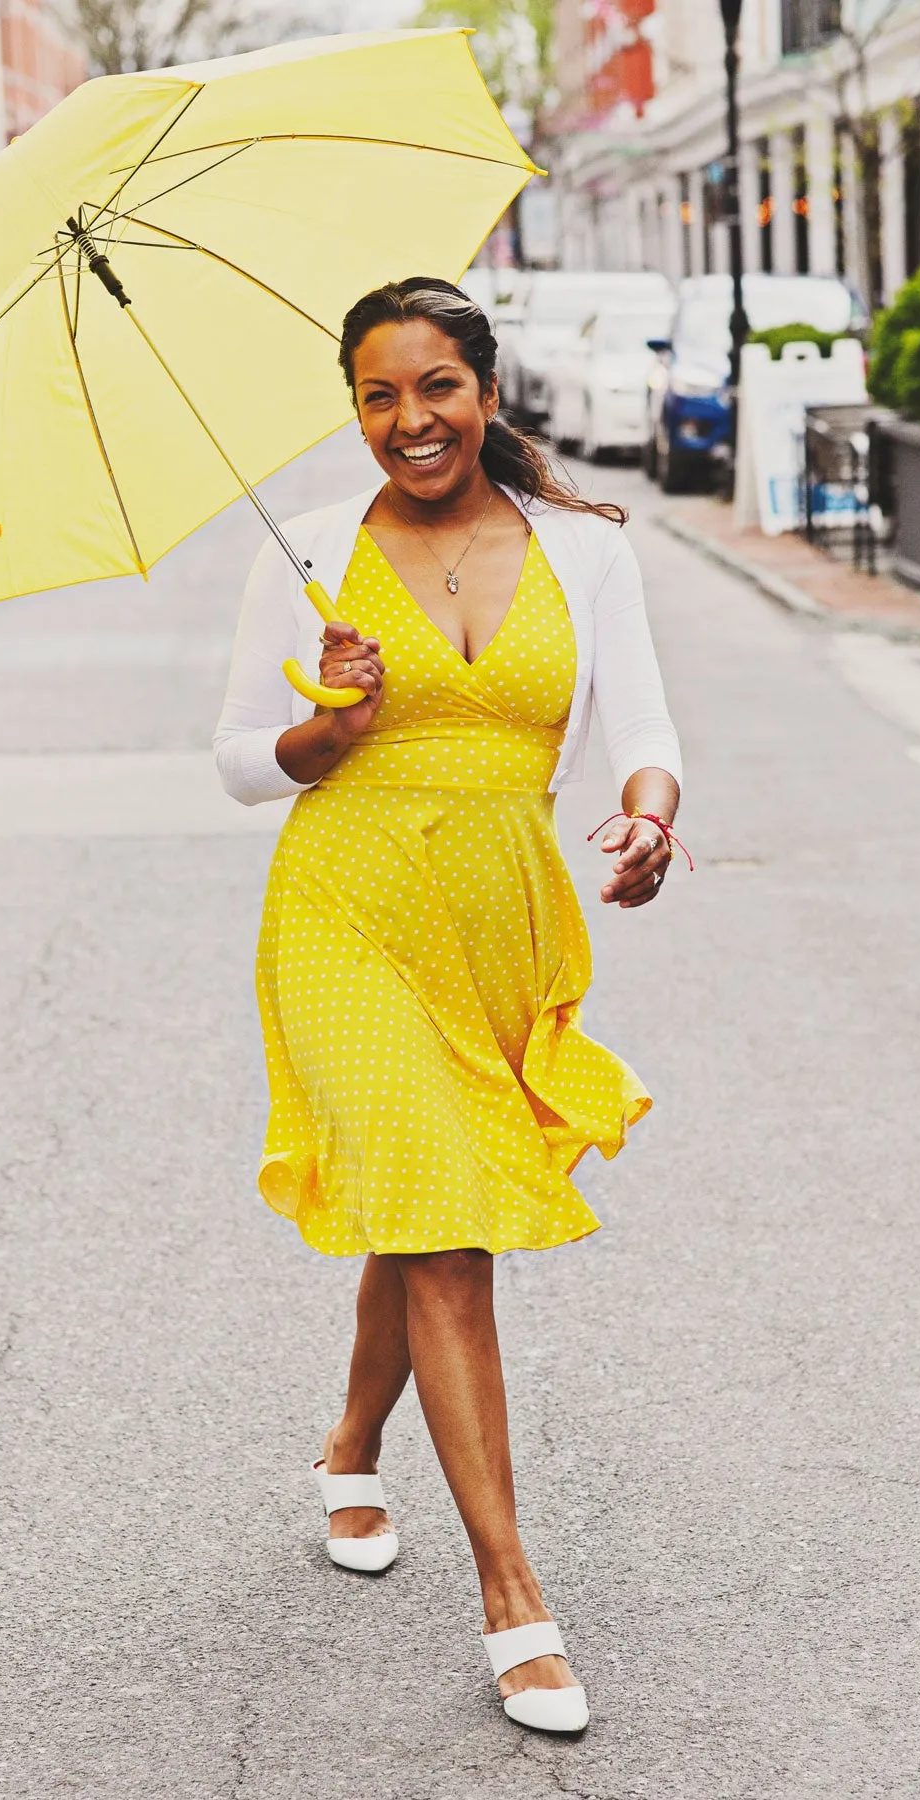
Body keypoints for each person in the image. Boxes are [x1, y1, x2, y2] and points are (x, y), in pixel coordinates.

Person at [214, 276, 682, 1736]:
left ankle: (350, 1443)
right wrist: (327, 725)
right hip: (345, 907)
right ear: (352, 408)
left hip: (499, 918)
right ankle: (514, 1602)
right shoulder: (305, 549)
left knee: (426, 1213)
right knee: (446, 1232)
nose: (407, 421)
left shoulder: (583, 549)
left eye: (434, 386)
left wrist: (652, 816)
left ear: (486, 387)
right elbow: (239, 758)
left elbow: (643, 729)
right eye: (375, 395)